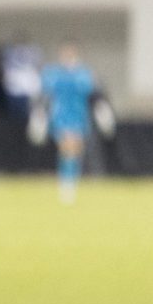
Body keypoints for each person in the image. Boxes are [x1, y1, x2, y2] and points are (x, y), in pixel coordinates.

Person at [38, 43, 98, 204]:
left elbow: (92, 93)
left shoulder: (83, 74)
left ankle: (70, 183)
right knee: (67, 149)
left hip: (78, 116)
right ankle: (66, 185)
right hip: (61, 117)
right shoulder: (54, 74)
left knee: (75, 151)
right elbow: (45, 95)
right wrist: (41, 117)